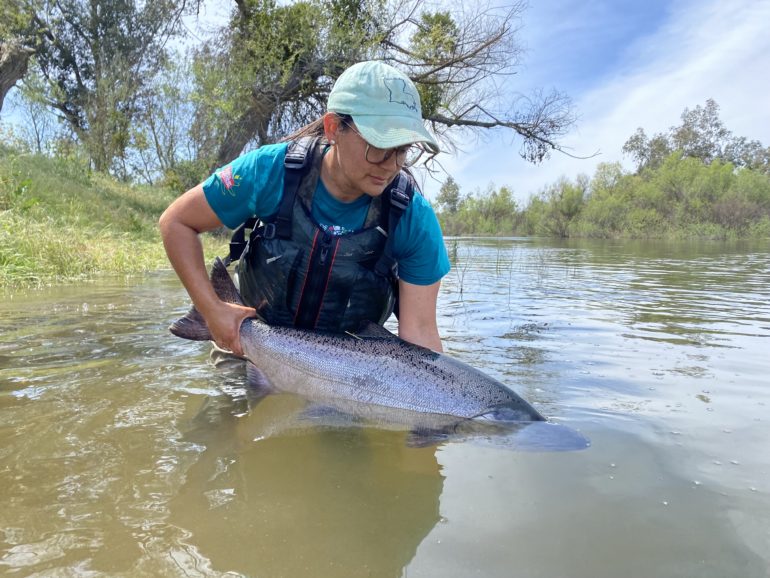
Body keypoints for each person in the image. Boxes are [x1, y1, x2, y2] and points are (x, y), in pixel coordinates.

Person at [159, 60, 450, 356]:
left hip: (347, 376)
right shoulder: (268, 170)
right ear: (333, 127)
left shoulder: (414, 218)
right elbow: (176, 222)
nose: (390, 166)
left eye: (402, 150)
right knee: (228, 403)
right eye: (378, 146)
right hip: (245, 350)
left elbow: (421, 334)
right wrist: (212, 310)